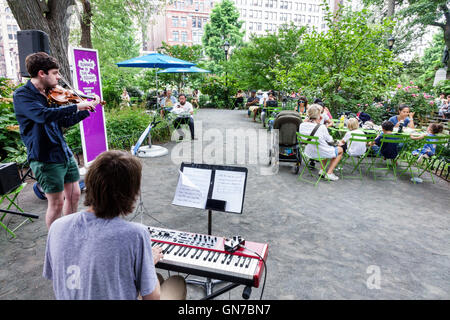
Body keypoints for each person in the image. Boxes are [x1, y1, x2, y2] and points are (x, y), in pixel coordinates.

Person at [43, 150, 187, 300]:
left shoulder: (57, 226)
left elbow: (58, 276)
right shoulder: (136, 234)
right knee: (176, 282)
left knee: (154, 278)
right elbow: (152, 297)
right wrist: (149, 262)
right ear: (131, 192)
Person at [13, 52, 100, 229]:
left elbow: (63, 121)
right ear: (41, 73)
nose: (59, 77)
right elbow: (42, 116)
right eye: (55, 72)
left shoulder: (50, 94)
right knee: (56, 203)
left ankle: (69, 232)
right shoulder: (22, 95)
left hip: (63, 152)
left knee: (75, 195)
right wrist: (77, 106)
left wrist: (87, 109)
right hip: (45, 156)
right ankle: (56, 242)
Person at [299, 104, 343, 181]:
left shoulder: (302, 125)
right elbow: (330, 140)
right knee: (340, 150)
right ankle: (329, 173)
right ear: (319, 115)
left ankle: (322, 171)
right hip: (319, 152)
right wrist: (338, 142)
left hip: (308, 152)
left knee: (324, 147)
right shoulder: (321, 127)